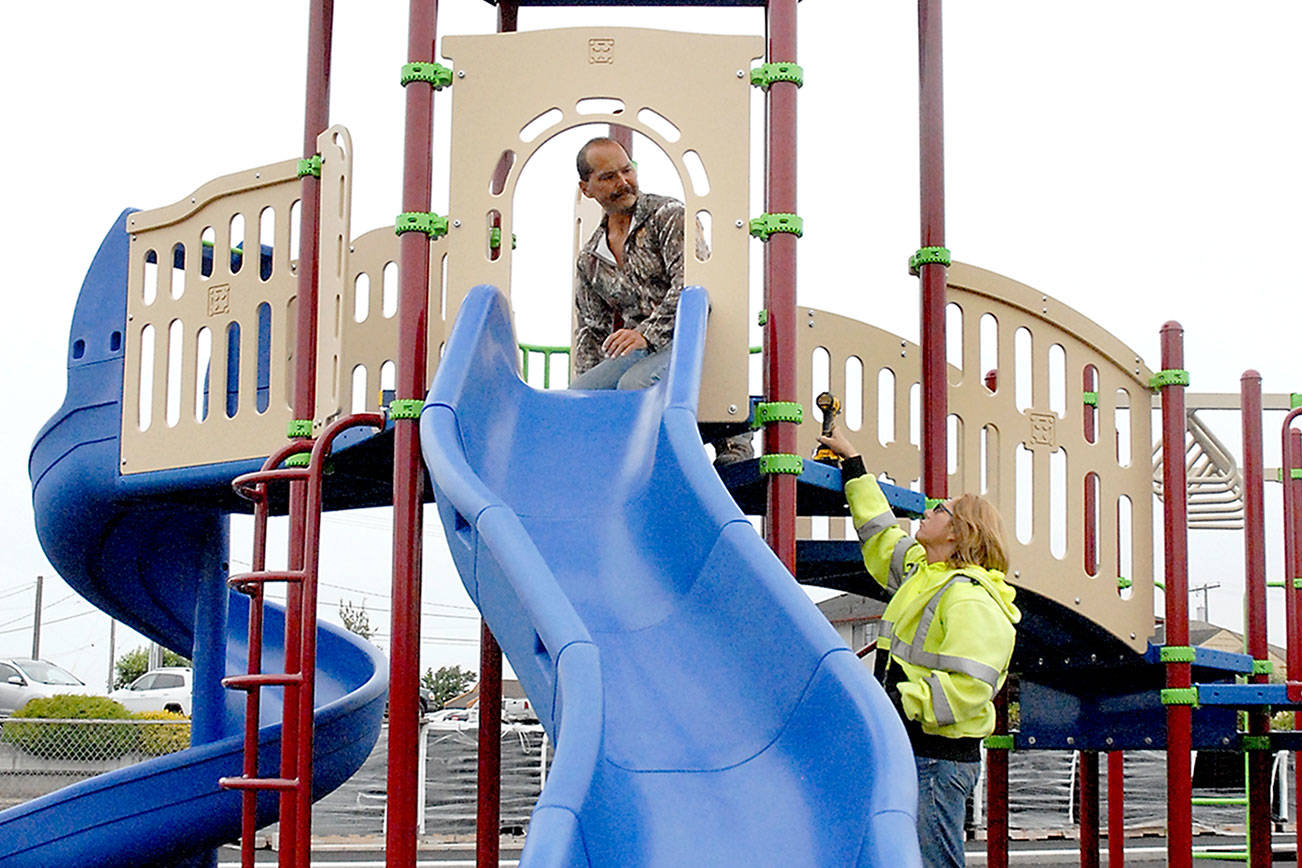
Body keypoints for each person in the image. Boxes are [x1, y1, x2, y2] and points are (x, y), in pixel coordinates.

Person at [817, 425, 1020, 868]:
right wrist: (854, 465)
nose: (929, 509)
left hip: (935, 759)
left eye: (941, 509)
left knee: (932, 863)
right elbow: (882, 533)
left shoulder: (969, 597)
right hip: (916, 749)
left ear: (958, 534)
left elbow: (969, 688)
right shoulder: (924, 575)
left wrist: (898, 702)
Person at [569, 136, 753, 466]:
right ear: (587, 188)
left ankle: (723, 441)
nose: (623, 182)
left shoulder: (668, 217)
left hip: (690, 339)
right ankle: (605, 462)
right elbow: (591, 332)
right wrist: (590, 398)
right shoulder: (591, 259)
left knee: (634, 384)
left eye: (627, 171)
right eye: (609, 177)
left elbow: (692, 286)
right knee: (579, 393)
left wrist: (646, 334)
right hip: (644, 352)